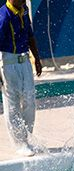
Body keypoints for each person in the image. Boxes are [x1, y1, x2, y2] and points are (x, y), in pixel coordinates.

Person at [0, 0, 42, 157]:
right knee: (12, 104)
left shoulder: (23, 11)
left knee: (30, 101)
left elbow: (30, 35)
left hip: (24, 61)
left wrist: (37, 59)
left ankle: (26, 137)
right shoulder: (3, 16)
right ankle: (19, 143)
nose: (24, 0)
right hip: (8, 63)